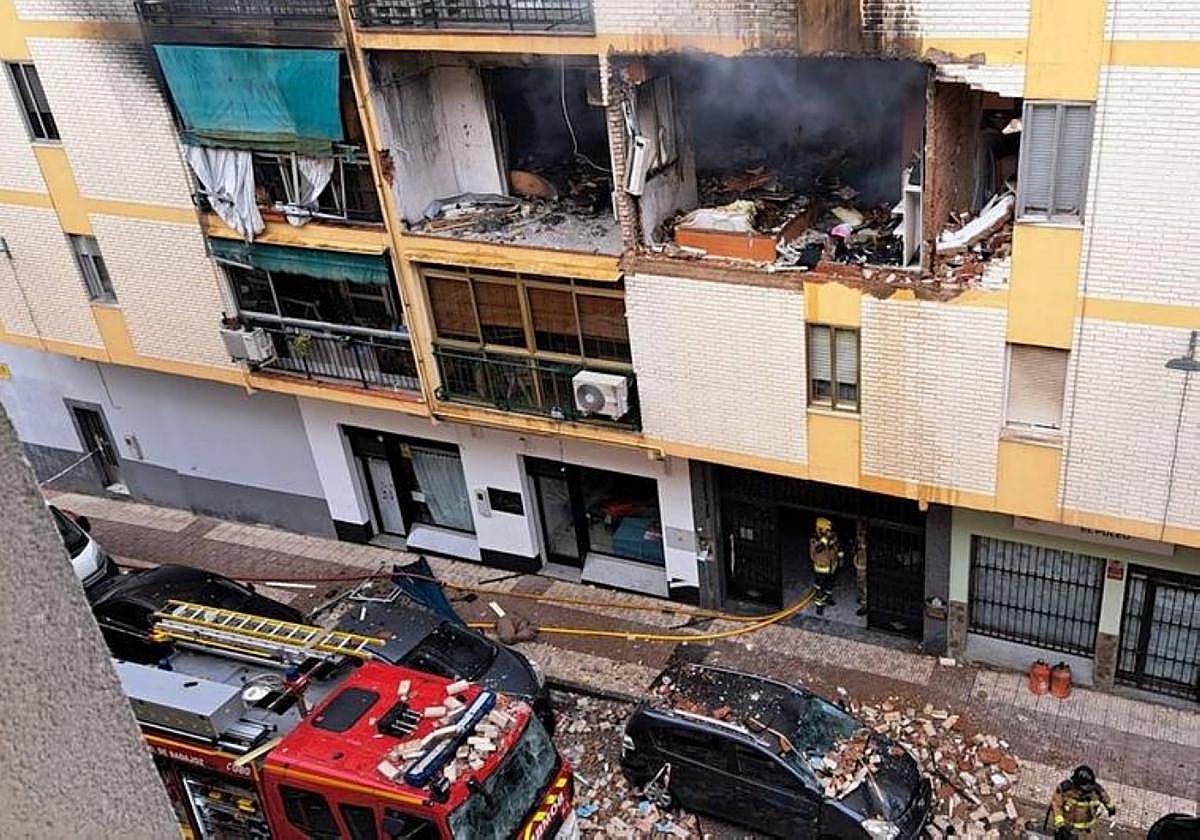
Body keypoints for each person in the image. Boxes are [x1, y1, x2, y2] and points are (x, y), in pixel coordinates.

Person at [1051, 765, 1116, 839]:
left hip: (1087, 831)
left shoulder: (1095, 789)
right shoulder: (1065, 789)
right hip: (1067, 829)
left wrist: (1111, 808)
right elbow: (1056, 805)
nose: (1086, 791)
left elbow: (1105, 797)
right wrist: (1060, 825)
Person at [809, 517, 843, 616]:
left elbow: (838, 547)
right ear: (820, 529)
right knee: (820, 588)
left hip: (833, 566)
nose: (829, 531)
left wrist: (840, 558)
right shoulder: (814, 540)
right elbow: (818, 550)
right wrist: (825, 539)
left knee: (830, 585)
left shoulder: (833, 536)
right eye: (827, 529)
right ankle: (819, 606)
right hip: (821, 568)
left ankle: (828, 598)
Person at [853, 519, 869, 617]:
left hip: (864, 567)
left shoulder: (865, 541)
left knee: (864, 587)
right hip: (859, 565)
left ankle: (864, 606)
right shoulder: (859, 540)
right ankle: (861, 599)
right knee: (860, 583)